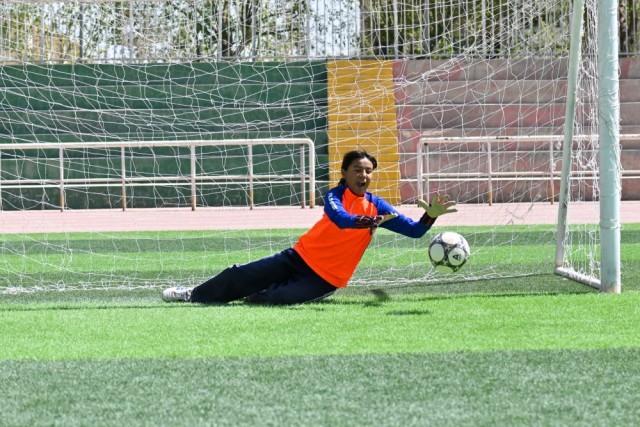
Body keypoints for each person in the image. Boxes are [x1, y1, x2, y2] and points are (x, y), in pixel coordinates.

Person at [162, 150, 457, 305]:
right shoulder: (335, 196)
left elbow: (415, 231)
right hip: (297, 258)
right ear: (345, 173)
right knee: (238, 274)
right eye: (358, 170)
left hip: (325, 279)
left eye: (369, 171)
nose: (364, 175)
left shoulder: (377, 205)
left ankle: (259, 292)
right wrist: (368, 222)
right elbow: (340, 219)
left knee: (272, 299)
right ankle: (190, 294)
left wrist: (429, 217)